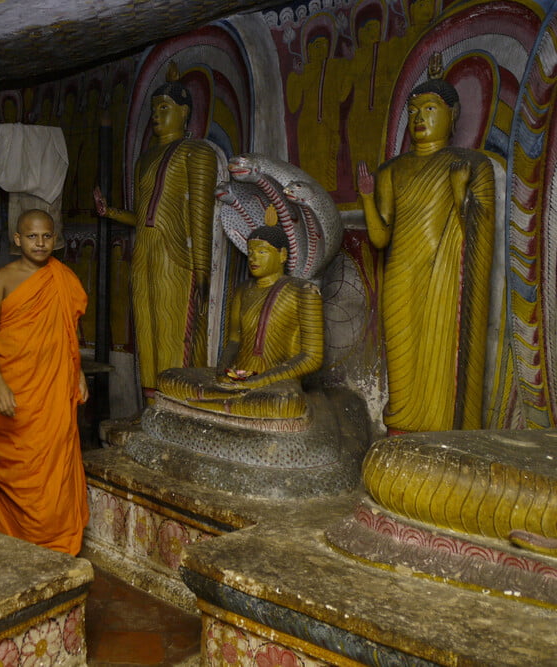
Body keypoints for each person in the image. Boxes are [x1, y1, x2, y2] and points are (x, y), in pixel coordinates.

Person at [356, 63, 494, 433]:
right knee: (400, 361)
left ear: (452, 115)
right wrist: (368, 198)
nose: (419, 118)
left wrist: (460, 192)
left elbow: (479, 234)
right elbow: (380, 238)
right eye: (413, 111)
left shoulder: (472, 164)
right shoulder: (392, 170)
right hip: (401, 275)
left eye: (430, 109)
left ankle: (440, 439)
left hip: (445, 280)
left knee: (441, 360)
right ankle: (400, 432)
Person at [93, 72, 218, 402]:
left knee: (173, 331)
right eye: (153, 109)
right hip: (144, 249)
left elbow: (201, 216)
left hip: (174, 252)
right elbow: (141, 215)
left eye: (165, 108)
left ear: (185, 112)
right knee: (145, 329)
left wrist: (202, 269)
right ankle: (151, 406)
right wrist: (110, 212)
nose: (156, 116)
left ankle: (177, 404)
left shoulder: (197, 153)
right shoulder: (144, 158)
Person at [0, 209, 90, 555]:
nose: (40, 244)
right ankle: (13, 535)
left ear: (54, 239)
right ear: (17, 239)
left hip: (54, 387)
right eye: (32, 237)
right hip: (15, 387)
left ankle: (55, 538)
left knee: (55, 461)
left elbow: (70, 332)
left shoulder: (63, 277)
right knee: (21, 465)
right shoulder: (2, 279)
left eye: (46, 237)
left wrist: (78, 371)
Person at [157, 225, 324, 419]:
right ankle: (224, 404)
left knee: (284, 403)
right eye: (251, 252)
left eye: (262, 252)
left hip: (276, 383)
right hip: (238, 376)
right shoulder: (242, 290)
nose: (253, 258)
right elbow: (235, 341)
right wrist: (222, 371)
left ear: (282, 255)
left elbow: (312, 357)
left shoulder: (304, 292)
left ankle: (207, 405)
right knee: (168, 378)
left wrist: (261, 380)